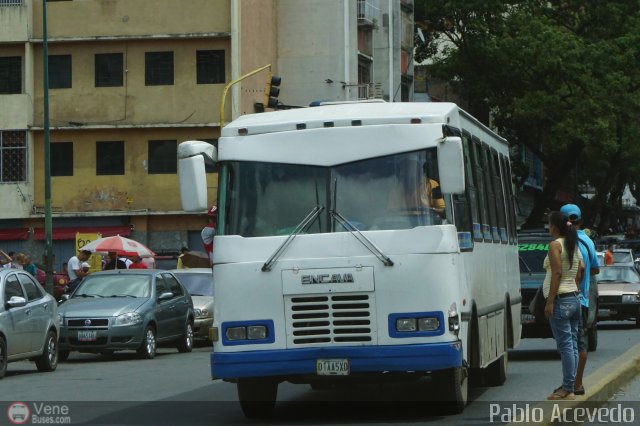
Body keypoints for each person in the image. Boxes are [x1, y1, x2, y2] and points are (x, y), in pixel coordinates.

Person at [560, 204, 599, 396]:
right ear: (580, 220)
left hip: (565, 298)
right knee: (579, 343)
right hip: (581, 300)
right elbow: (595, 269)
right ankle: (577, 383)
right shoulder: (588, 242)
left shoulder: (561, 242)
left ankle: (570, 385)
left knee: (568, 344)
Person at [544, 211, 584, 400]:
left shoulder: (555, 245)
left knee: (566, 345)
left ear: (555, 226)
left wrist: (550, 301)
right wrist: (575, 287)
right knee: (573, 345)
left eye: (549, 224)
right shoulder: (572, 244)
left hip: (561, 300)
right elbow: (581, 268)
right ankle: (571, 386)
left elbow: (557, 273)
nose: (548, 227)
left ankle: (567, 388)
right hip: (574, 298)